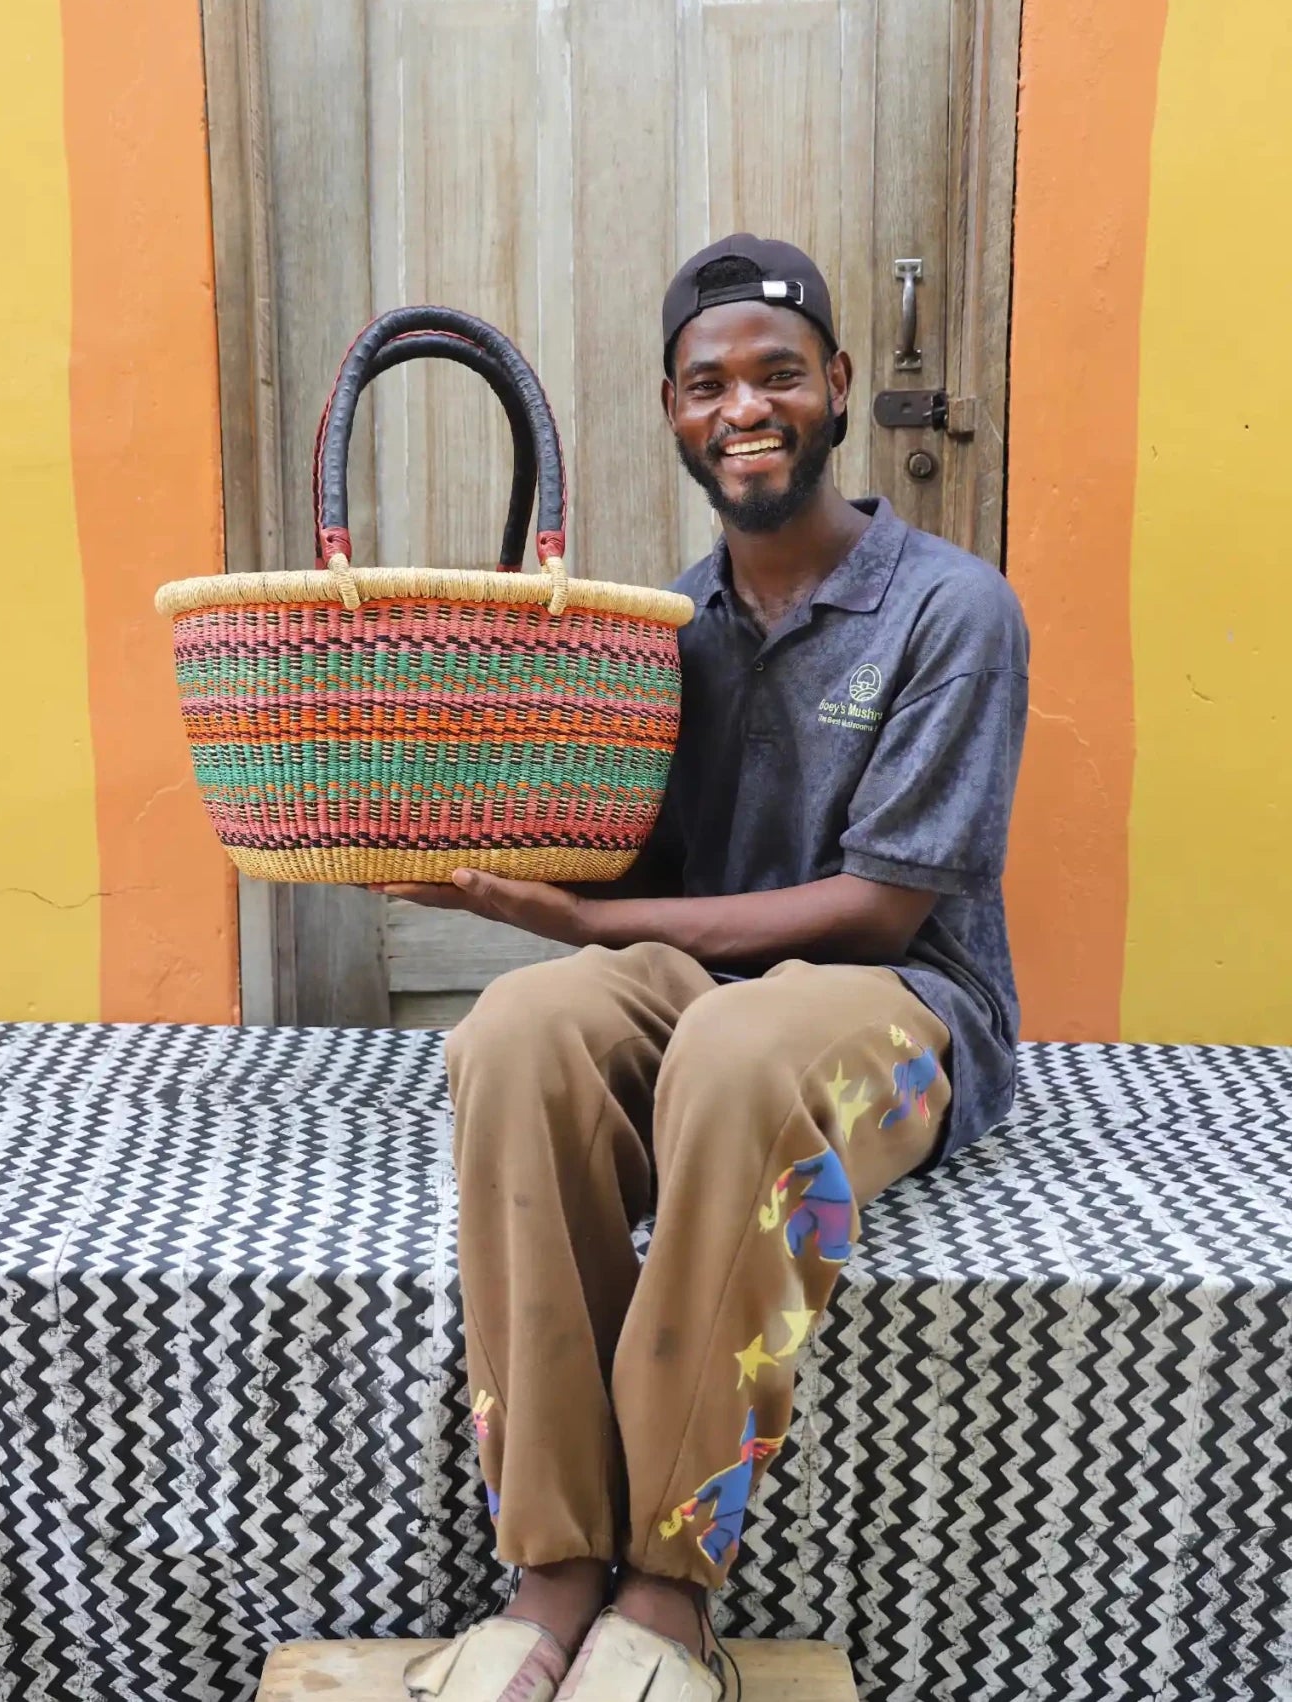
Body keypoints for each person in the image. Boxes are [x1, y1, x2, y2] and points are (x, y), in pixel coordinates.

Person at [394, 234, 1029, 1702]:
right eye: (708, 384)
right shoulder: (666, 631)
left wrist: (584, 923)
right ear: (672, 412)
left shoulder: (951, 609)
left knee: (736, 1055)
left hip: (905, 1013)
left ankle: (668, 1593)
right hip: (711, 997)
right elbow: (642, 880)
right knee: (516, 1028)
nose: (744, 407)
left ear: (839, 388)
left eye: (777, 375)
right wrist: (474, 850)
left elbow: (877, 913)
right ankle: (552, 1567)